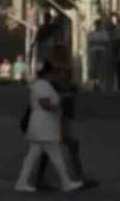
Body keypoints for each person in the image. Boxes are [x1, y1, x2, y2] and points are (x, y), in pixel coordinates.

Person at [15, 61, 84, 193]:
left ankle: (22, 182)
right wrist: (58, 105)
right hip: (44, 126)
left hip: (41, 126)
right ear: (48, 73)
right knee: (55, 156)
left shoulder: (40, 85)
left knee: (33, 157)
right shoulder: (43, 85)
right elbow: (45, 103)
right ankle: (66, 183)